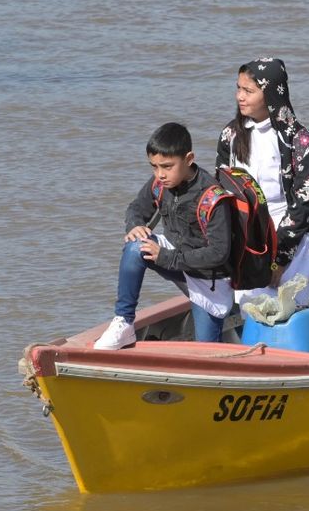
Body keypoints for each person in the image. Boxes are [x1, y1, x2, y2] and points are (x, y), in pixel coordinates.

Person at [217, 58, 309, 310]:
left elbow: (304, 207)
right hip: (250, 239)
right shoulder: (230, 135)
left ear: (269, 93)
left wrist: (278, 261)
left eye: (248, 91)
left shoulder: (300, 142)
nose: (239, 97)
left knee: (302, 312)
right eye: (238, 88)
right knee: (254, 313)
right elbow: (222, 188)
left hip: (298, 244)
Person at [94, 123, 234, 350]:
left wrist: (166, 258)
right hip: (174, 258)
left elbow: (219, 253)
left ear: (189, 158)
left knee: (207, 352)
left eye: (167, 166)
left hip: (209, 277)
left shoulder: (212, 197)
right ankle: (124, 321)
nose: (160, 174)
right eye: (154, 167)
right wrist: (135, 225)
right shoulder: (160, 183)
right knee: (135, 246)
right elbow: (136, 208)